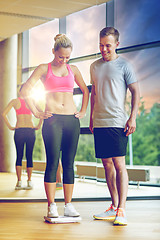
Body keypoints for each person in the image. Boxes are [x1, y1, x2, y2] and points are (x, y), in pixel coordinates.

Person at [21, 34, 89, 218]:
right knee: (52, 163)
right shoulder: (44, 68)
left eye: (67, 57)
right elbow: (25, 89)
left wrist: (83, 111)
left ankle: (68, 205)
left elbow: (85, 90)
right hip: (52, 120)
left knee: (69, 163)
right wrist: (36, 111)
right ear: (53, 51)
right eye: (61, 57)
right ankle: (51, 205)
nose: (64, 60)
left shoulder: (73, 69)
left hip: (71, 121)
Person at [89, 27, 140, 226]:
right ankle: (113, 205)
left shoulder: (125, 66)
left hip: (118, 122)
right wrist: (92, 118)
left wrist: (133, 117)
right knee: (106, 164)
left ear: (117, 44)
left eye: (107, 45)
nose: (103, 49)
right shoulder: (94, 66)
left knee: (119, 164)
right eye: (101, 45)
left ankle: (122, 209)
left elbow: (135, 92)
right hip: (100, 122)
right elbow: (94, 93)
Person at [2, 86, 42, 190]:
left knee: (19, 156)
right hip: (30, 131)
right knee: (29, 156)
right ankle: (29, 181)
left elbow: (3, 114)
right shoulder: (31, 101)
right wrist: (38, 125)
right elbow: (42, 112)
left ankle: (19, 182)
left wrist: (11, 127)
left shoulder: (15, 101)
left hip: (19, 131)